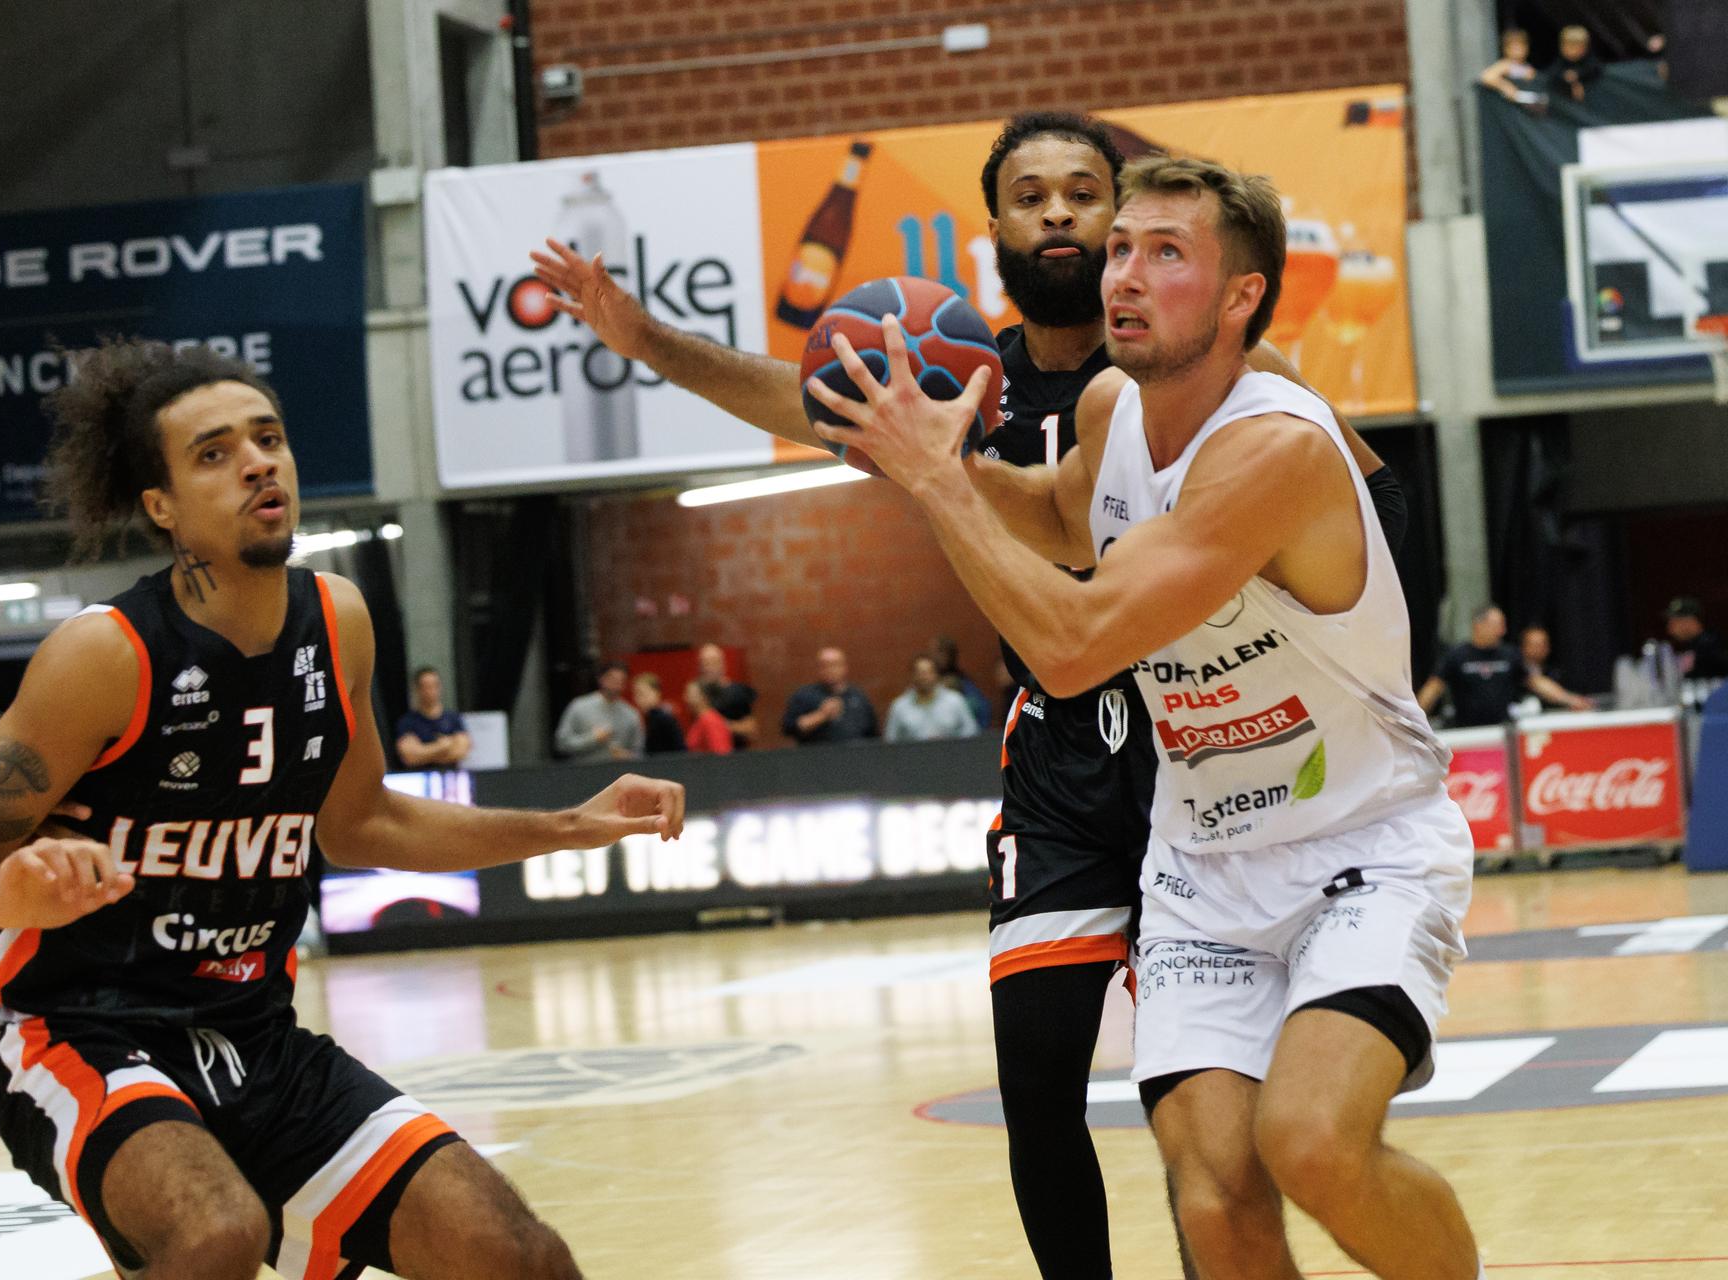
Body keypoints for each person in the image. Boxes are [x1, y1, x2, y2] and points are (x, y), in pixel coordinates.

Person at [533, 110, 1413, 1279]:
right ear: (991, 227)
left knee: (1208, 1120)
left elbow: (1374, 514)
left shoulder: (1210, 381)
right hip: (1056, 758)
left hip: (1197, 746)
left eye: (1086, 195)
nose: (1060, 213)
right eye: (1032, 194)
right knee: (1037, 1077)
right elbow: (814, 400)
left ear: (1120, 222)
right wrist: (646, 338)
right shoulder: (955, 373)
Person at [804, 154, 1486, 1278]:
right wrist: (928, 452)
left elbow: (1072, 649)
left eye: (1166, 253)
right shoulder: (1111, 408)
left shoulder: (1278, 446)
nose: (1124, 272)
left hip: (1361, 845)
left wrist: (934, 485)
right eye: (1123, 247)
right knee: (1215, 1199)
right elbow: (1054, 515)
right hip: (1204, 868)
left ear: (1240, 298)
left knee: (1310, 1141)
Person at [0, 339, 686, 1280]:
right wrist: (3, 900)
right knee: (214, 1234)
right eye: (215, 452)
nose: (256, 462)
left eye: (268, 439)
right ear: (161, 507)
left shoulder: (339, 618)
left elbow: (365, 823)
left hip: (256, 1038)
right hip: (84, 1030)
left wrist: (570, 824)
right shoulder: (105, 655)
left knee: (519, 1255)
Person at [1418, 605, 1591, 726]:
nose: (1502, 631)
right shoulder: (1457, 656)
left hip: (1503, 731)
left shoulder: (1510, 655)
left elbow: (1537, 682)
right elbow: (1433, 688)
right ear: (1479, 626)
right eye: (1497, 625)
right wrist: (1414, 719)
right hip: (1469, 732)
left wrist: (1570, 699)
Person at [782, 646, 880, 746]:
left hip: (854, 756)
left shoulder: (858, 696)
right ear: (819, 669)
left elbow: (873, 733)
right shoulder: (804, 696)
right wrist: (821, 715)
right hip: (815, 757)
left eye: (834, 665)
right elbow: (789, 728)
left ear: (844, 667)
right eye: (825, 665)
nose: (830, 669)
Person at [554, 660, 644, 763]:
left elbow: (639, 753)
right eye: (612, 679)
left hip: (618, 773)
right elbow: (561, 744)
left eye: (621, 680)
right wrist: (592, 739)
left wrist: (627, 756)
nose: (616, 685)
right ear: (601, 679)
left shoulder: (631, 714)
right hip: (583, 773)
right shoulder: (579, 706)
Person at [886, 653, 980, 743]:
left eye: (928, 672)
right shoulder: (899, 706)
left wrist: (951, 742)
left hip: (951, 755)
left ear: (936, 674)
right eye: (919, 673)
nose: (924, 677)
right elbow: (891, 740)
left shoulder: (955, 701)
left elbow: (971, 731)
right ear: (912, 676)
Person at [394, 667, 472, 770]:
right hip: (419, 779)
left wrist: (424, 752)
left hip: (451, 777)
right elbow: (410, 756)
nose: (430, 691)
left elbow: (461, 751)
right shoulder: (407, 722)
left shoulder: (453, 718)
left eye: (434, 685)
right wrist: (442, 747)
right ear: (417, 689)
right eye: (426, 686)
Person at [694, 643, 759, 749]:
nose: (709, 668)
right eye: (705, 663)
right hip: (703, 757)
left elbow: (751, 729)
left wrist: (722, 726)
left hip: (734, 754)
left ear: (722, 664)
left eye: (713, 662)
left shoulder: (737, 692)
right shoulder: (696, 692)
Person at [932, 635, 993, 728]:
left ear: (949, 655)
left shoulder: (963, 683)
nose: (933, 656)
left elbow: (982, 709)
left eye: (938, 652)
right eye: (932, 652)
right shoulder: (928, 682)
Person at [1666, 597, 1728, 680]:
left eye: (1674, 622)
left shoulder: (1712, 646)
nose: (1670, 629)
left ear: (1690, 621)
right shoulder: (1694, 645)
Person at [1479, 28, 1544, 107]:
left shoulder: (1527, 66)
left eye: (1521, 45)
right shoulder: (1505, 64)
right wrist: (1505, 86)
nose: (1518, 49)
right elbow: (1487, 77)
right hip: (1509, 109)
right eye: (1513, 46)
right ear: (1506, 48)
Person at [1547, 25, 1604, 103]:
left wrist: (1577, 74)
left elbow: (1594, 69)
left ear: (1585, 48)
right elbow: (1552, 72)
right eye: (1568, 47)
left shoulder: (1591, 61)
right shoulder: (1560, 61)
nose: (1572, 52)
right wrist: (1566, 76)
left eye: (1576, 48)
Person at [632, 673, 686, 754]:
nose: (639, 698)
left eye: (642, 693)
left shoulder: (663, 719)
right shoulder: (650, 718)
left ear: (657, 693)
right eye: (636, 694)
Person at [680, 680, 735, 755]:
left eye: (689, 694)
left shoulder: (710, 720)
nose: (685, 698)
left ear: (703, 697)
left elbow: (721, 752)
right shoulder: (700, 719)